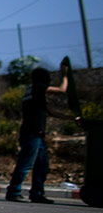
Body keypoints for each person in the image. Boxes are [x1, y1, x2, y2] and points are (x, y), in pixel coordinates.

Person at [6, 61, 79, 204]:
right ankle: (14, 191)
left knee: (42, 165)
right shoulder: (37, 88)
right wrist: (65, 75)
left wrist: (71, 118)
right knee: (26, 163)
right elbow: (62, 90)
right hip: (31, 133)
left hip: (37, 135)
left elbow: (50, 111)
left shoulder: (34, 92)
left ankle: (37, 193)